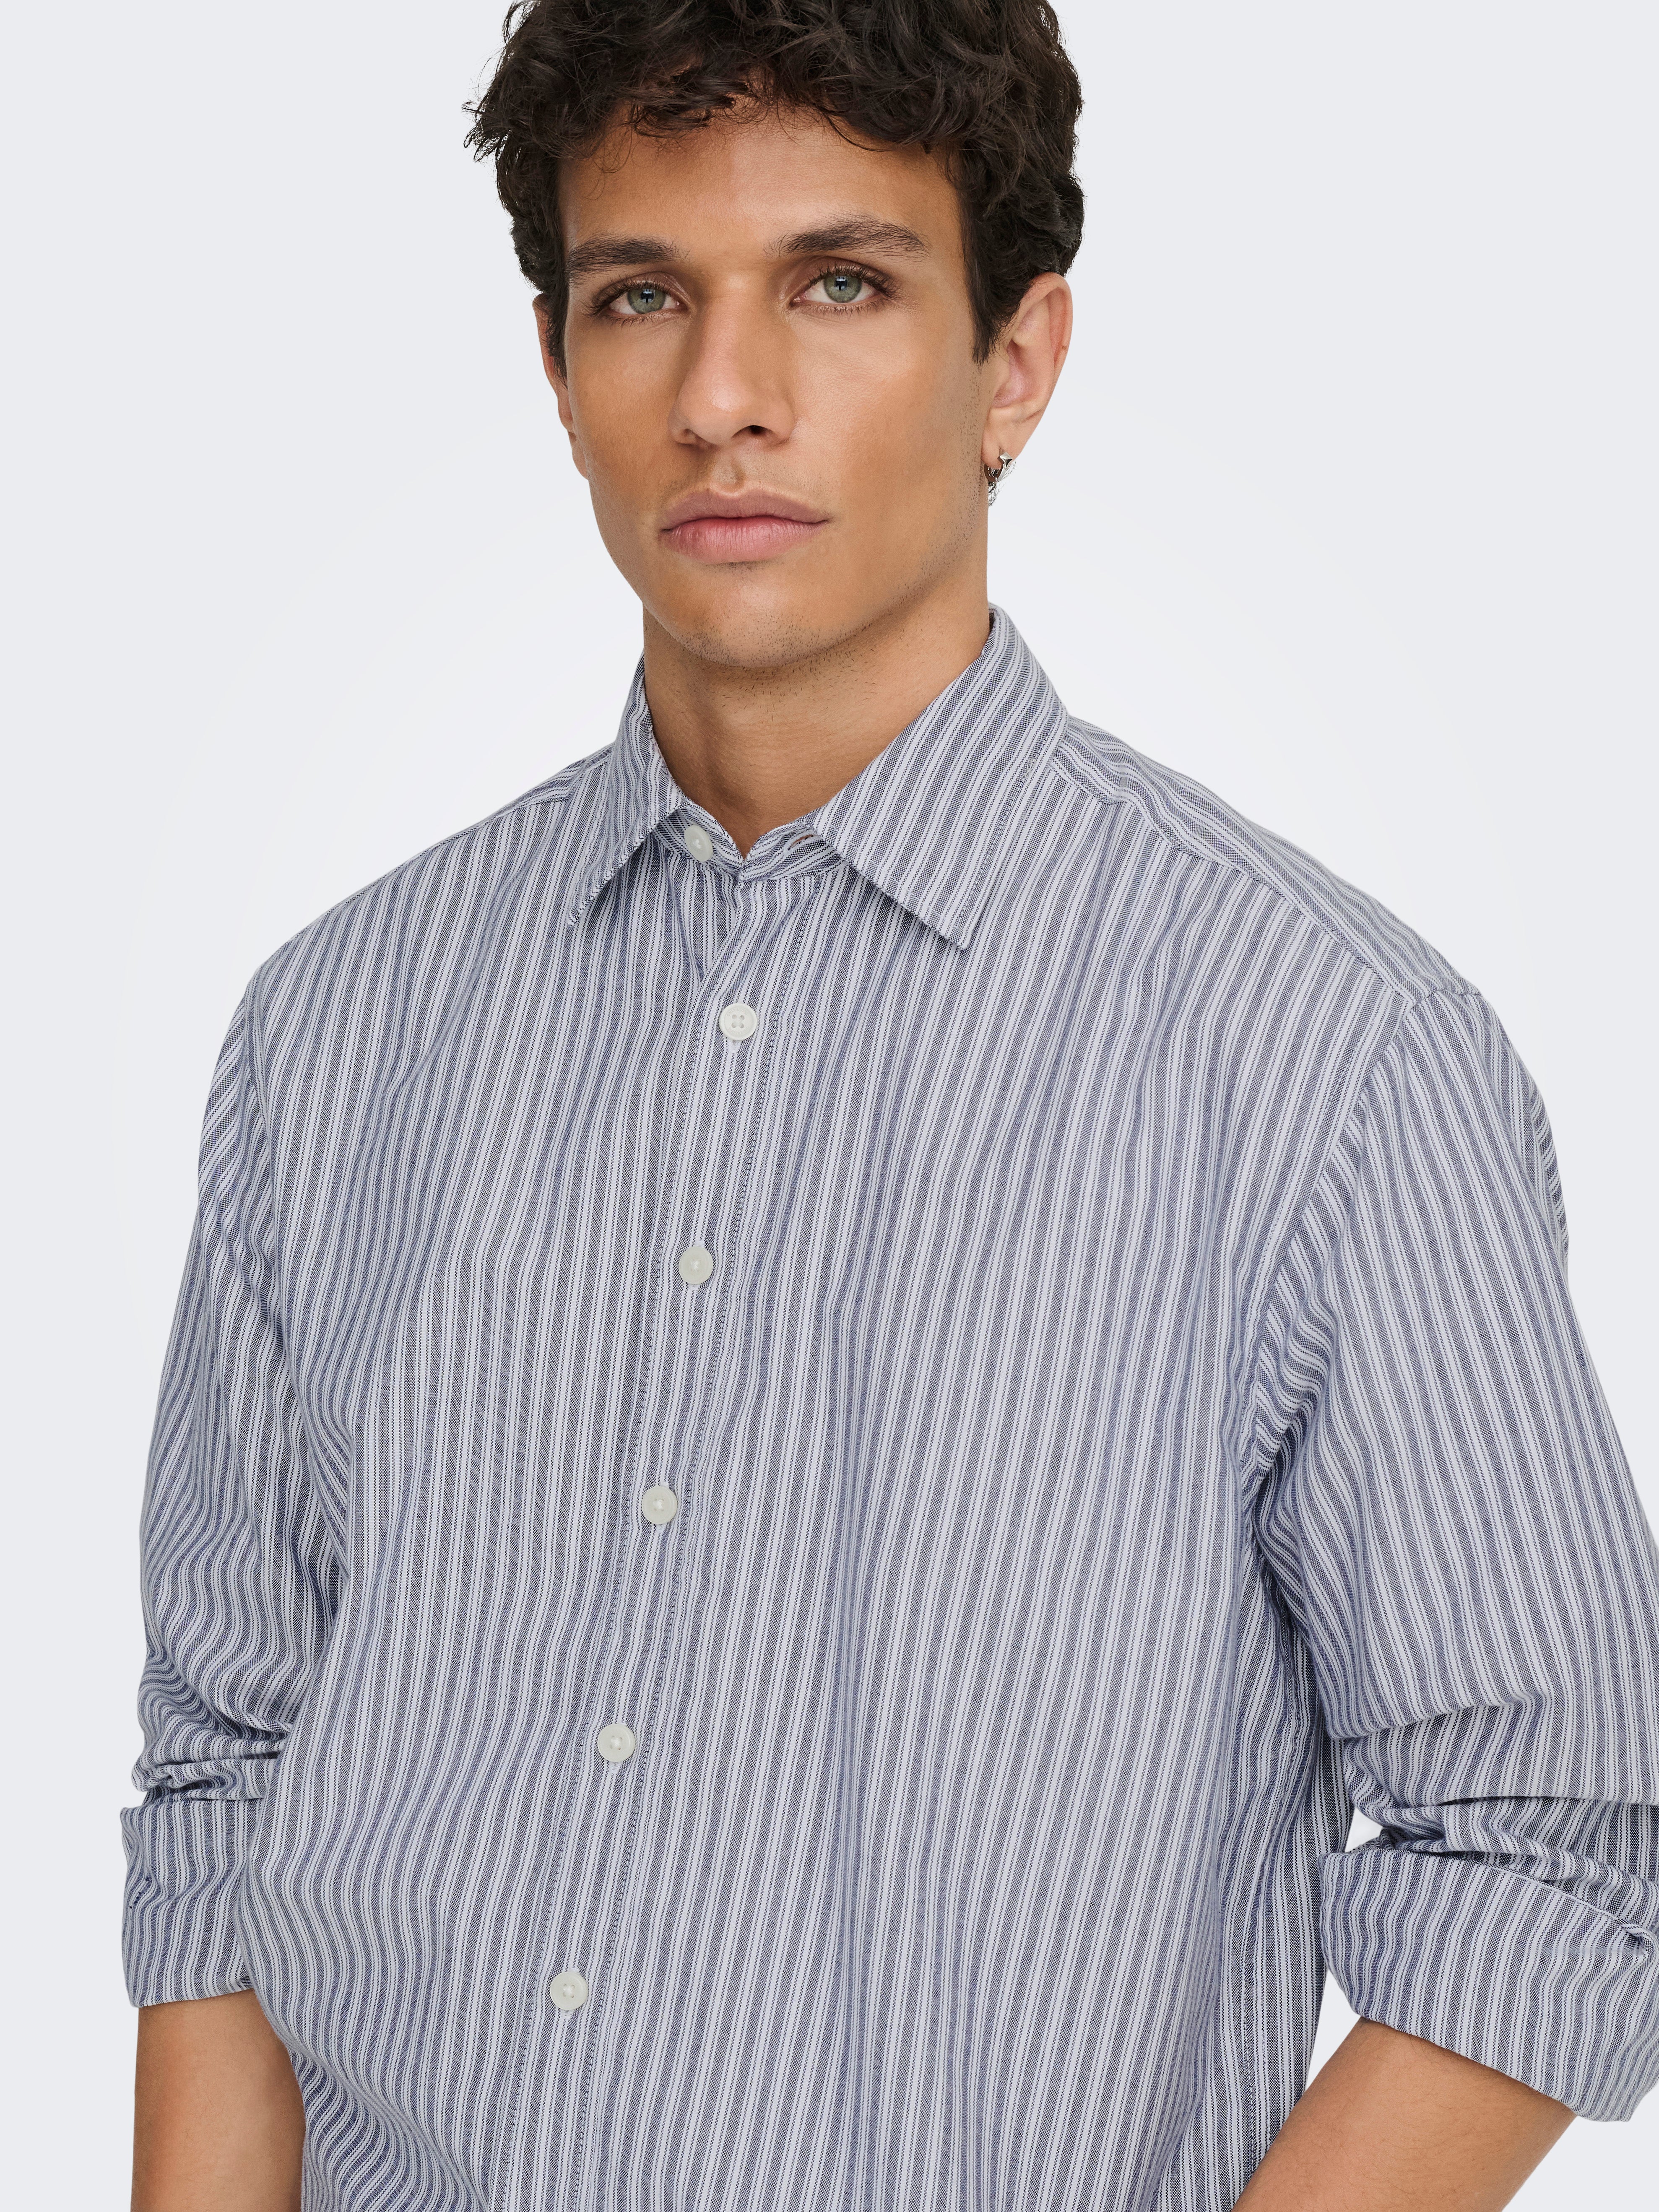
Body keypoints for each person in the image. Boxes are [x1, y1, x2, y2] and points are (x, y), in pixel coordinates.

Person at [125, 4, 1659, 2208]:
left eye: (839, 282)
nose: (722, 393)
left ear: (1014, 358)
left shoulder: (1324, 1059)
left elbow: (1544, 1851)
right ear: (555, 365)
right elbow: (229, 1777)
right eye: (639, 295)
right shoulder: (340, 1034)